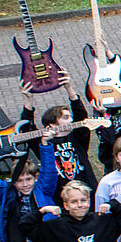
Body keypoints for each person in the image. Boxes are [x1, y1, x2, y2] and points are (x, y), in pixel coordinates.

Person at [18, 70, 98, 201]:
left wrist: (69, 88)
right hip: (60, 199)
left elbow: (81, 116)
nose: (71, 120)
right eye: (66, 117)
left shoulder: (78, 137)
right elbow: (26, 128)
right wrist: (28, 99)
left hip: (86, 194)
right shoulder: (43, 143)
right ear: (52, 124)